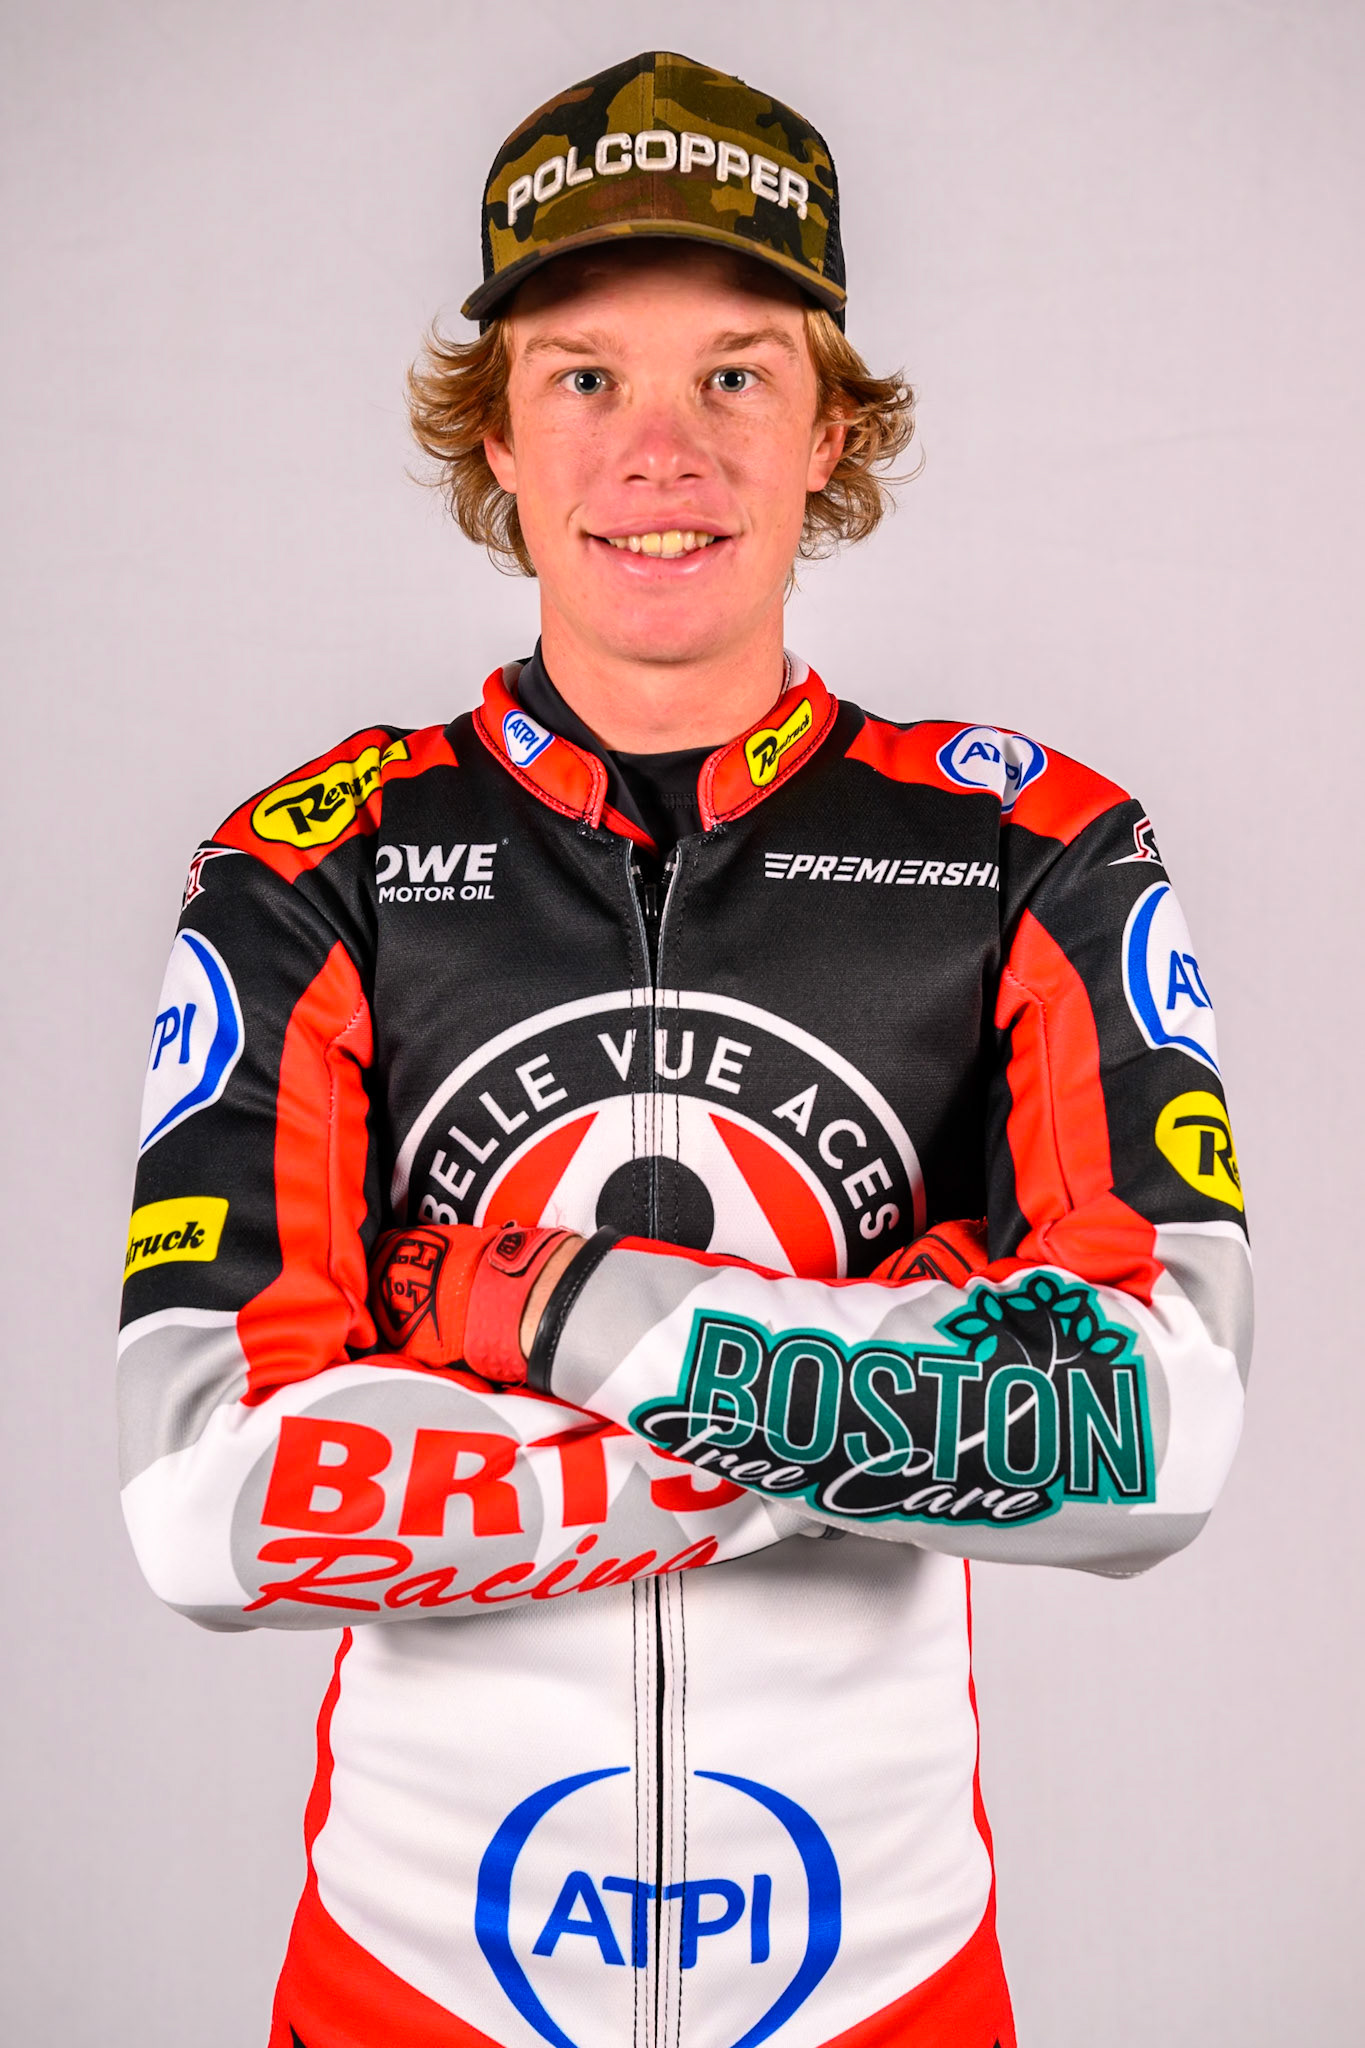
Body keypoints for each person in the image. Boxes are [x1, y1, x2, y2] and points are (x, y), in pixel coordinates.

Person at [118, 49, 1250, 2048]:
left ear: (828, 428)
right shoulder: (311, 869)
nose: (666, 450)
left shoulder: (1035, 851)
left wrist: (532, 1301)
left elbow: (1152, 1436)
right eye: (585, 378)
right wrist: (871, 1408)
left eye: (733, 372)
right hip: (410, 1987)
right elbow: (209, 1499)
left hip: (879, 1994)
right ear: (498, 432)